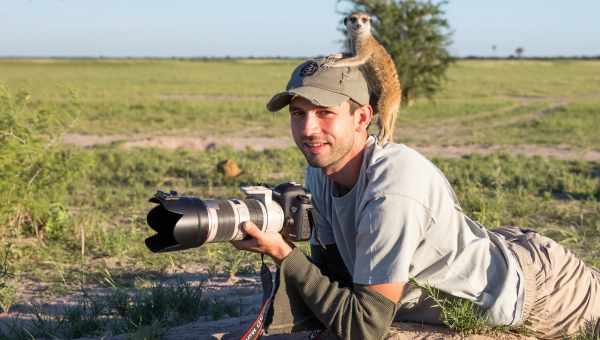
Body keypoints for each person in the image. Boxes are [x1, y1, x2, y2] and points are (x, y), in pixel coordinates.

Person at [231, 57, 600, 340]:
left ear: (362, 117)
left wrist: (284, 254)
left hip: (540, 292)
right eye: (298, 114)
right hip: (495, 247)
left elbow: (364, 327)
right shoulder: (321, 166)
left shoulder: (392, 189)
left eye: (325, 113)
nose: (309, 130)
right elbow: (337, 273)